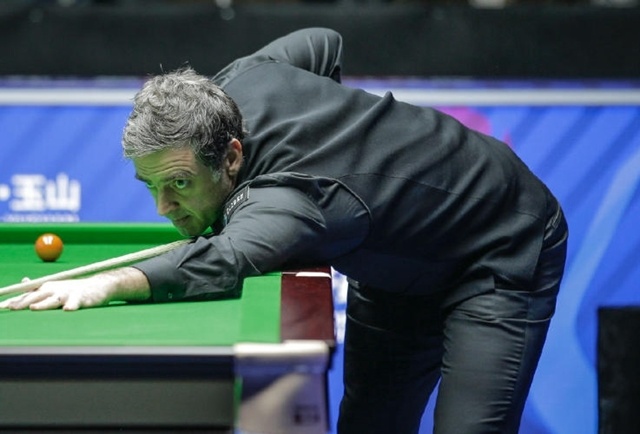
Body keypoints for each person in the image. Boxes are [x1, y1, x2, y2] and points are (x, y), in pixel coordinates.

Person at [0, 28, 568, 434]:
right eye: (150, 185)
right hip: (389, 260)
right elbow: (322, 42)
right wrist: (344, 128)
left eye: (179, 184)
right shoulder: (237, 85)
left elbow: (223, 258)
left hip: (497, 244)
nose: (163, 207)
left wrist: (109, 282)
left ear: (231, 156)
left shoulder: (292, 204)